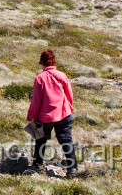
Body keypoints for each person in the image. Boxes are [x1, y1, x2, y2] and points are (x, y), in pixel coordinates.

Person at [27, 49, 78, 178]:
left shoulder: (40, 78)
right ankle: (72, 170)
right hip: (63, 113)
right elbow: (69, 95)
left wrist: (32, 116)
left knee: (41, 139)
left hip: (45, 116)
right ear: (54, 61)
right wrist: (69, 108)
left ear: (42, 62)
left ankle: (37, 165)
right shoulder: (62, 75)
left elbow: (36, 101)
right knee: (66, 140)